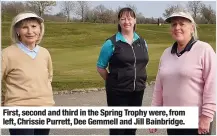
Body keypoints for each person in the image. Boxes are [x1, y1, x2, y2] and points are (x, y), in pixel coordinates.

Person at [149, 11, 216, 135]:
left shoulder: (204, 49)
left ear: (192, 28)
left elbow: (212, 85)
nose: (177, 28)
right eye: (174, 24)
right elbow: (159, 88)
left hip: (196, 121)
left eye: (181, 24)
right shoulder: (166, 53)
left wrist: (206, 116)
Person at [97, 7, 149, 135]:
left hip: (138, 91)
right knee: (118, 129)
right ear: (119, 22)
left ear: (135, 20)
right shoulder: (111, 43)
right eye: (123, 18)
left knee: (131, 129)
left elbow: (142, 63)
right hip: (117, 92)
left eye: (130, 18)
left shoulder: (142, 42)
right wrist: (113, 81)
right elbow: (100, 66)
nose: (127, 21)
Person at [1, 11, 55, 135]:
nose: (30, 31)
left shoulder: (45, 53)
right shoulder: (7, 54)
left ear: (40, 30)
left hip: (44, 108)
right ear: (17, 31)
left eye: (34, 26)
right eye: (25, 27)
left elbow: (49, 77)